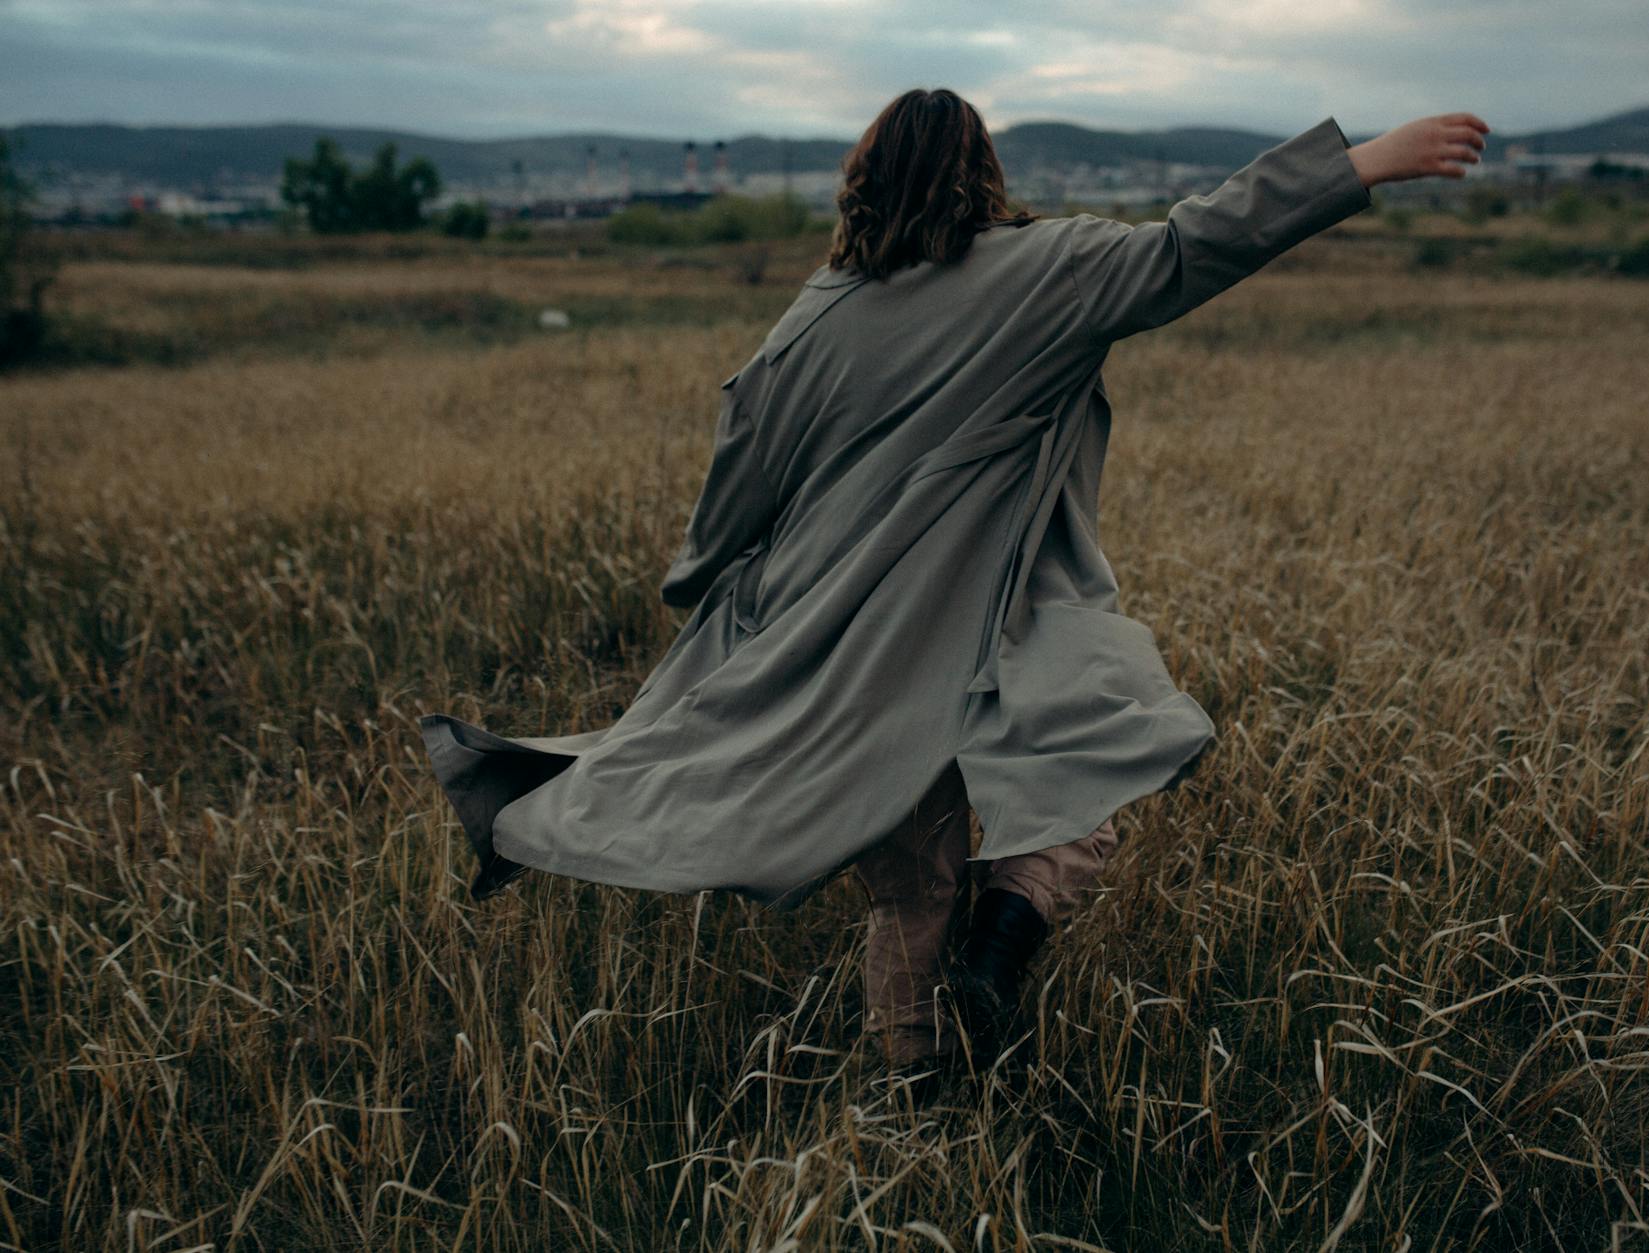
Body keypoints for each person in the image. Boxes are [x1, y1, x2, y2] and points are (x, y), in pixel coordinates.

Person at [417, 88, 1487, 1088]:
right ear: (981, 174)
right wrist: (1364, 165)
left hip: (843, 643)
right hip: (1001, 621)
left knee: (910, 881)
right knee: (1089, 765)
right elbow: (1190, 244)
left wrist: (707, 587)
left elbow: (735, 475)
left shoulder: (812, 318)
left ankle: (917, 1087)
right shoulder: (1046, 269)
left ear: (860, 182)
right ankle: (1001, 942)